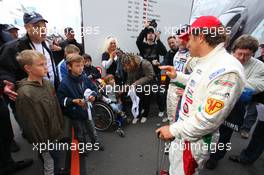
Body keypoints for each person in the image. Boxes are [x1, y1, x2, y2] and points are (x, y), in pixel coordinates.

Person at [156, 16, 245, 175]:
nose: (186, 43)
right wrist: (177, 76)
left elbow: (207, 120)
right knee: (175, 168)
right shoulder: (206, 60)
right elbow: (197, 82)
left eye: (189, 38)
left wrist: (173, 130)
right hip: (185, 131)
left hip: (194, 140)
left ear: (201, 38)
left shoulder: (227, 70)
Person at [206, 35, 264, 169]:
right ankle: (202, 153)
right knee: (208, 129)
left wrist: (227, 83)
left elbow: (257, 86)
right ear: (234, 50)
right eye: (240, 54)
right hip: (215, 102)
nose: (243, 58)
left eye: (247, 55)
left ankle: (216, 157)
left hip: (235, 107)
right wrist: (240, 86)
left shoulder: (259, 66)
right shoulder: (223, 60)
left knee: (225, 134)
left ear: (253, 53)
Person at [15, 50, 64, 175]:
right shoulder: (25, 93)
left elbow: (56, 107)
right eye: (41, 65)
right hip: (44, 140)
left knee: (57, 158)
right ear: (28, 68)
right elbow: (29, 124)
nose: (46, 67)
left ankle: (57, 170)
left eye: (45, 64)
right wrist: (42, 145)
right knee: (50, 162)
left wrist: (60, 126)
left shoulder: (47, 84)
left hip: (55, 133)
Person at [57, 53, 104, 152]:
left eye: (82, 65)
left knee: (92, 129)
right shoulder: (64, 83)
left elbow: (94, 88)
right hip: (75, 113)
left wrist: (93, 96)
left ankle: (96, 143)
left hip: (87, 111)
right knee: (80, 132)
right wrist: (73, 101)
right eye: (77, 66)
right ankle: (83, 149)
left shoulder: (85, 78)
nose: (81, 68)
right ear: (69, 67)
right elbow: (61, 100)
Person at [136, 20, 167, 118]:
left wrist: (158, 39)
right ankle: (143, 111)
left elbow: (164, 52)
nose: (150, 35)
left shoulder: (157, 45)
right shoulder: (142, 46)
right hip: (144, 75)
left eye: (152, 33)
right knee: (143, 94)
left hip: (155, 75)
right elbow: (138, 40)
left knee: (158, 93)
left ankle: (161, 109)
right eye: (148, 33)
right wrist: (145, 28)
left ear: (154, 36)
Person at [163, 25, 192, 123]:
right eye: (180, 36)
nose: (182, 40)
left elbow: (198, 79)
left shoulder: (194, 55)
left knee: (180, 119)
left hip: (182, 91)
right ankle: (172, 135)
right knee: (171, 115)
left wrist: (189, 93)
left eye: (186, 37)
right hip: (172, 88)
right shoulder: (177, 54)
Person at [121, 53, 155, 124]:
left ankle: (145, 115)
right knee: (137, 101)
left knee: (146, 101)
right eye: (125, 66)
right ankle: (137, 115)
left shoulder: (145, 64)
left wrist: (136, 83)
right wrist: (125, 87)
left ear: (133, 61)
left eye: (128, 65)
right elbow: (129, 79)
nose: (127, 67)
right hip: (137, 86)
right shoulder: (128, 67)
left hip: (147, 85)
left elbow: (150, 76)